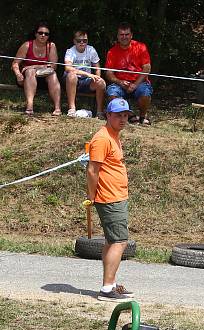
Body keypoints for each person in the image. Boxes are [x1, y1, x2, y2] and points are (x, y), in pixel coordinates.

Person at [86, 98, 135, 302]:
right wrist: (92, 196)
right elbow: (92, 170)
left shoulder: (114, 135)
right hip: (109, 197)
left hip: (116, 194)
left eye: (125, 115)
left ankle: (111, 283)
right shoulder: (102, 138)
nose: (123, 119)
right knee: (119, 241)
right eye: (118, 115)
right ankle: (107, 290)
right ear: (108, 115)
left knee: (111, 241)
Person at [105, 23, 153, 125]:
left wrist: (135, 84)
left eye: (127, 34)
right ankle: (130, 115)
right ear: (117, 36)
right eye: (121, 35)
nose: (124, 37)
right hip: (120, 83)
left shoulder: (141, 47)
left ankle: (142, 117)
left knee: (145, 92)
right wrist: (120, 82)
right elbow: (108, 74)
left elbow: (147, 68)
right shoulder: (112, 52)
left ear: (131, 35)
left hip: (139, 82)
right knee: (112, 93)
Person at [11, 21, 61, 116]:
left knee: (52, 73)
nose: (43, 35)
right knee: (30, 71)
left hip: (44, 78)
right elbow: (15, 63)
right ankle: (29, 107)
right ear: (35, 34)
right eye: (40, 33)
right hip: (26, 78)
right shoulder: (27, 45)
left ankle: (57, 108)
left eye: (46, 34)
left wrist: (34, 66)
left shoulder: (51, 46)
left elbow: (53, 66)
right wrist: (18, 74)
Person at [63, 30, 106, 118]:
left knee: (101, 82)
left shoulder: (91, 50)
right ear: (74, 41)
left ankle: (99, 112)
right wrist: (88, 74)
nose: (82, 43)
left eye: (85, 40)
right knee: (72, 76)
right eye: (79, 41)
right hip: (72, 81)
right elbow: (68, 68)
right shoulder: (70, 51)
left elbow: (97, 67)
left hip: (87, 81)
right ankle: (71, 109)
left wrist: (97, 77)